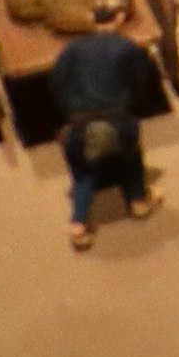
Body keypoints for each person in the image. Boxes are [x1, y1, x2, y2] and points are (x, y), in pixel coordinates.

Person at [49, 26, 154, 249]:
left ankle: (78, 224)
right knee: (132, 156)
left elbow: (57, 81)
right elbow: (140, 79)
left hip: (80, 126)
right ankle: (138, 200)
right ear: (120, 18)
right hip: (118, 121)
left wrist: (69, 110)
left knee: (83, 173)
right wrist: (129, 103)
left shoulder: (73, 48)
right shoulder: (126, 47)